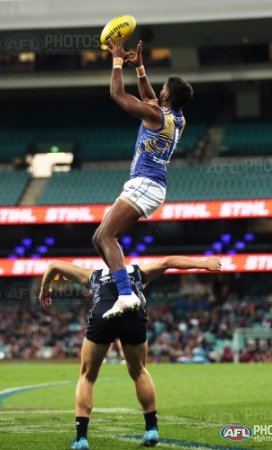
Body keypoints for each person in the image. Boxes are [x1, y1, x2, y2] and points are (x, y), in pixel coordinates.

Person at [39, 255, 221, 450]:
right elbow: (168, 262)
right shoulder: (137, 272)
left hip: (103, 315)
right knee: (139, 371)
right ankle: (151, 429)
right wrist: (204, 264)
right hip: (133, 315)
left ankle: (81, 439)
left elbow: (54, 265)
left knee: (87, 376)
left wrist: (45, 289)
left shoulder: (93, 275)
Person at [92, 36, 194, 320]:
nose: (158, 92)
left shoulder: (154, 114)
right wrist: (139, 68)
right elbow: (150, 97)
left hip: (145, 183)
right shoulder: (178, 118)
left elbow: (118, 94)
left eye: (162, 90)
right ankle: (120, 284)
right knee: (98, 238)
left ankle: (126, 293)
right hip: (150, 184)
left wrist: (116, 59)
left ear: (167, 97)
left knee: (107, 236)